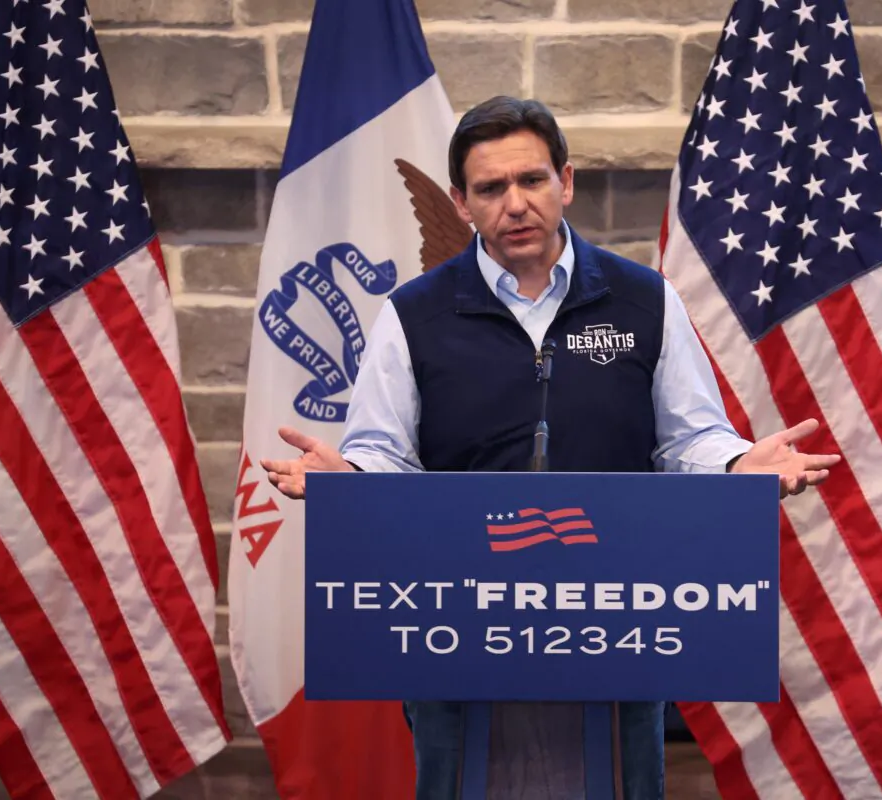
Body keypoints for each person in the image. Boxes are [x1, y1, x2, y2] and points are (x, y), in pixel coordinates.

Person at [261, 95, 841, 799]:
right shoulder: (412, 314)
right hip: (458, 614)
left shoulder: (643, 300)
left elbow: (690, 436)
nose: (515, 203)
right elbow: (386, 453)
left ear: (565, 182)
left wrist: (736, 462)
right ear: (461, 202)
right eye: (490, 188)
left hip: (614, 611)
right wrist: (349, 475)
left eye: (531, 180)